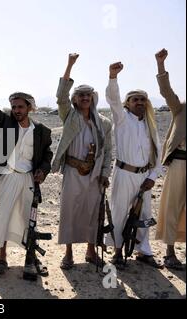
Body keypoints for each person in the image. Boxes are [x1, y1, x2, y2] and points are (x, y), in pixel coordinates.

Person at [0, 72, 53, 278]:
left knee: (30, 218)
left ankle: (30, 257)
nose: (17, 110)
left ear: (29, 107)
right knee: (4, 215)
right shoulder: (6, 122)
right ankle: (2, 258)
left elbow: (47, 154)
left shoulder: (41, 131)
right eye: (14, 107)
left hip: (29, 178)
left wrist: (43, 171)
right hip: (8, 176)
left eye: (21, 107)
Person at [53, 53, 112, 270]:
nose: (85, 98)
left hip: (95, 173)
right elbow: (61, 96)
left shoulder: (103, 123)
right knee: (70, 210)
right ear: (76, 99)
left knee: (92, 211)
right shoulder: (69, 116)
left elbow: (108, 151)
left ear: (93, 99)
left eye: (88, 95)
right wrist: (69, 65)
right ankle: (68, 253)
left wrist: (105, 173)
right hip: (73, 169)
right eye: (81, 95)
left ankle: (90, 251)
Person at [105, 61, 163, 269]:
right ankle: (118, 251)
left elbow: (158, 152)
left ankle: (143, 251)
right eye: (135, 99)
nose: (139, 102)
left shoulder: (150, 124)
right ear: (127, 103)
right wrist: (113, 77)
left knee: (144, 214)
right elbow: (112, 99)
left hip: (144, 177)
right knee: (120, 212)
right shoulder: (121, 119)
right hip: (124, 174)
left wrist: (152, 177)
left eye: (142, 100)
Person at [154, 49, 186, 270]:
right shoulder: (179, 108)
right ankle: (169, 252)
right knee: (172, 205)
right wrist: (161, 65)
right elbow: (166, 91)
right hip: (179, 163)